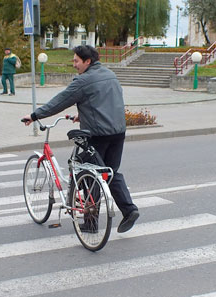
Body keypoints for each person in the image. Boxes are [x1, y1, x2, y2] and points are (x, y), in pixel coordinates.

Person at [22, 45, 139, 233]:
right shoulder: (110, 75)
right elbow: (106, 101)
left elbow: (59, 102)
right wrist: (83, 115)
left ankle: (91, 223)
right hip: (118, 132)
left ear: (87, 61)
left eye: (76, 60)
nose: (74, 64)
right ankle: (129, 210)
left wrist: (35, 116)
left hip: (97, 135)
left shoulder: (83, 81)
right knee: (110, 172)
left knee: (86, 172)